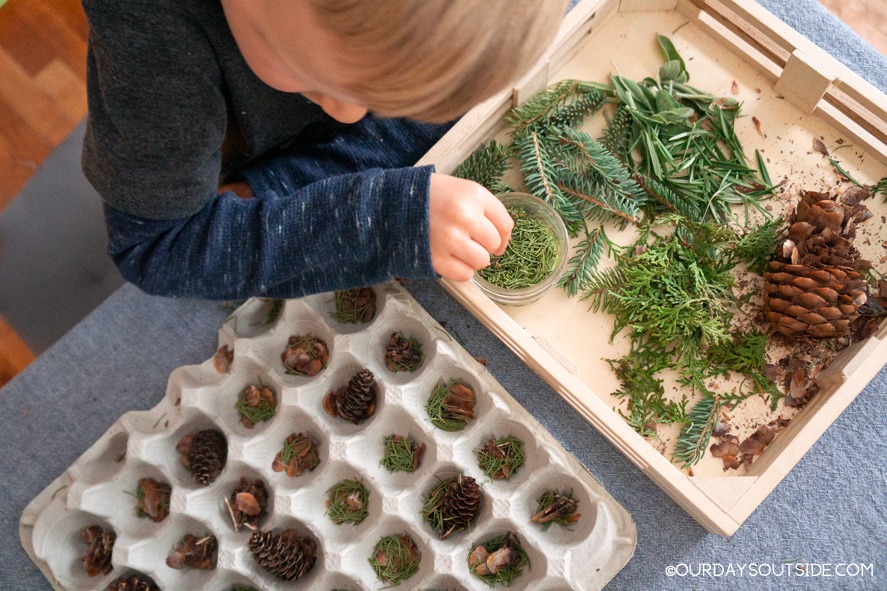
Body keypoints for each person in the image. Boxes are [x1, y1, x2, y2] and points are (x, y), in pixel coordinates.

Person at [82, 0, 569, 299]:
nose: (347, 115)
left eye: (382, 101)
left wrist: (280, 188)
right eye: (313, 82)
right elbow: (158, 248)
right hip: (201, 166)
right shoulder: (153, 39)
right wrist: (382, 219)